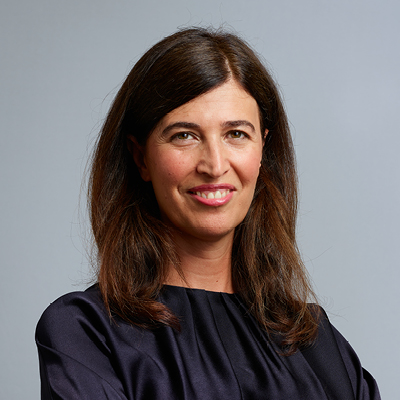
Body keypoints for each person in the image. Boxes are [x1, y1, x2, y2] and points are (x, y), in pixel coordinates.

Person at [35, 27, 380, 400]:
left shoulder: (315, 340)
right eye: (184, 135)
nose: (215, 166)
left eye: (236, 134)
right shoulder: (86, 333)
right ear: (141, 158)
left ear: (262, 149)